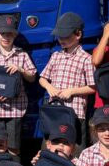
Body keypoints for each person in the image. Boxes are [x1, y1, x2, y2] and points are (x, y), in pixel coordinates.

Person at [0, 14, 37, 155]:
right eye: (3, 33)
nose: (6, 37)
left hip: (15, 109)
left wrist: (21, 70)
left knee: (13, 148)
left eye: (10, 33)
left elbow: (32, 78)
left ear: (15, 35)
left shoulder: (22, 55)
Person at [39, 11, 95, 148]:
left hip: (75, 113)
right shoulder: (56, 56)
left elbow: (93, 87)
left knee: (74, 149)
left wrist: (72, 91)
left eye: (66, 36)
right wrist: (49, 87)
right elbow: (42, 79)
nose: (61, 40)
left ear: (78, 35)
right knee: (50, 146)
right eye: (59, 36)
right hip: (55, 111)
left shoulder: (86, 59)